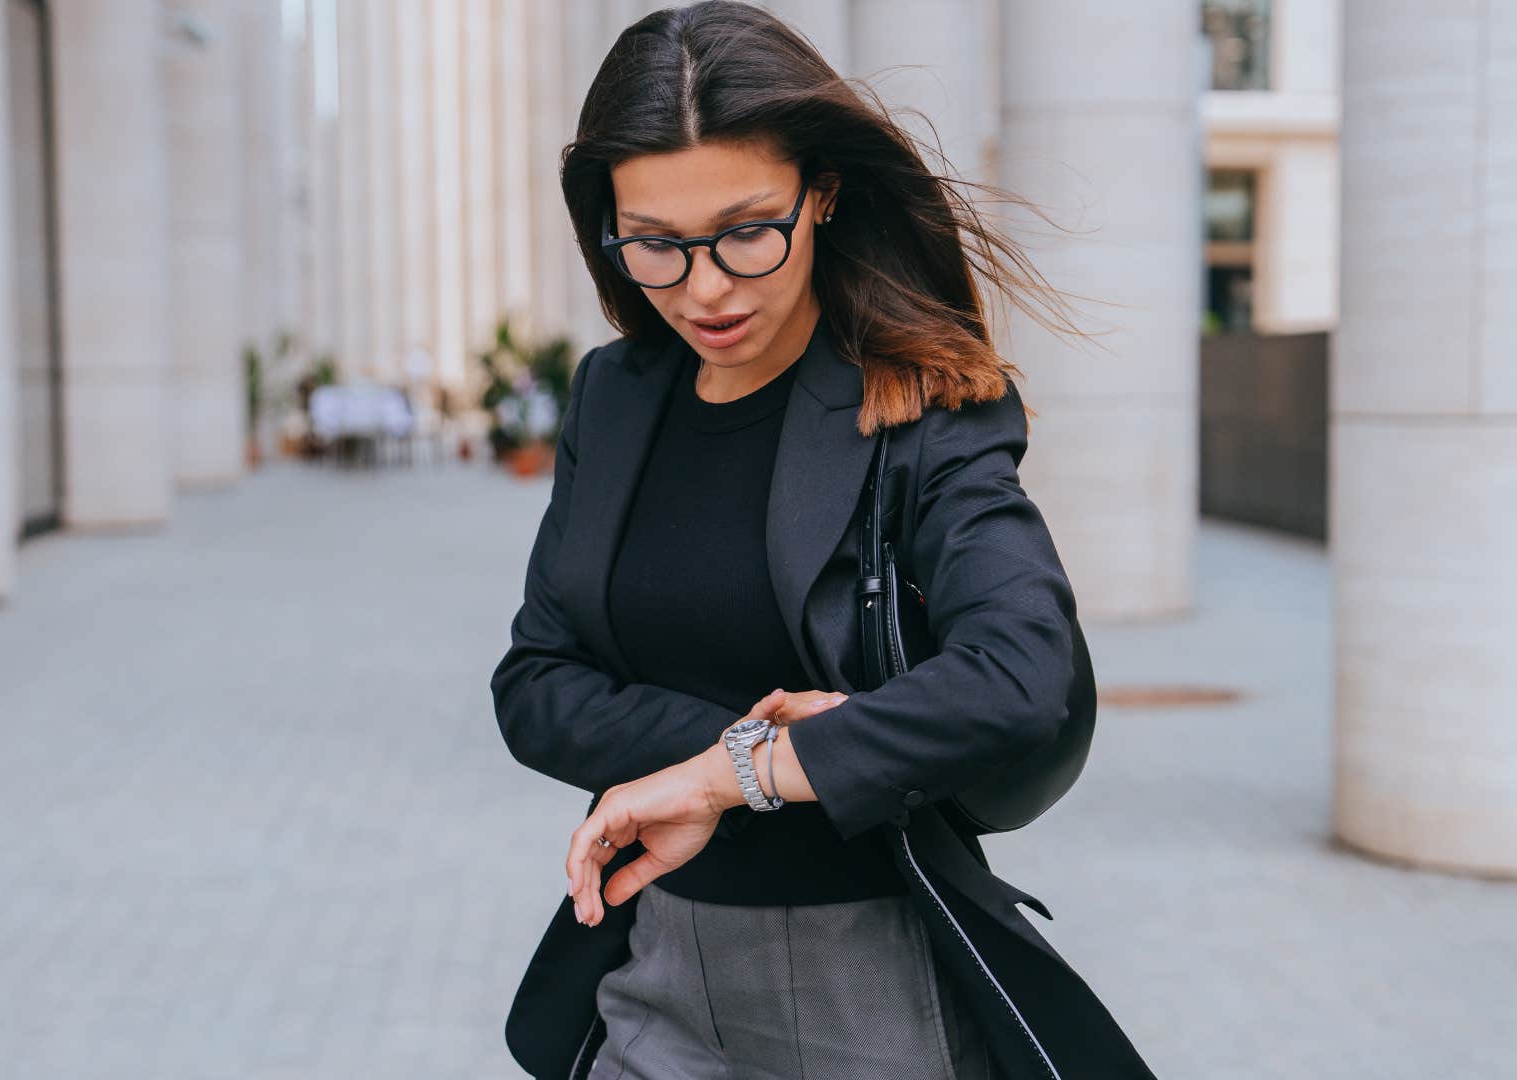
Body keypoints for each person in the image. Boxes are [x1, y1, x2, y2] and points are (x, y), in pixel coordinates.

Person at [490, 3, 1158, 1077]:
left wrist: (729, 781)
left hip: (873, 987)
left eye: (747, 231)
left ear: (824, 196)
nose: (704, 287)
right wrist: (728, 752)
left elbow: (1019, 674)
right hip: (651, 969)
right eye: (656, 246)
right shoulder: (614, 398)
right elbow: (533, 681)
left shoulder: (924, 406)